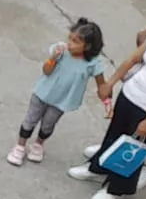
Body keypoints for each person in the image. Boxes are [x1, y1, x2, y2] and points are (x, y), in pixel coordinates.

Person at [75, 27, 146, 199]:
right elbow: (134, 58)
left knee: (132, 149)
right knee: (114, 135)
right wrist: (111, 83)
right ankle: (98, 168)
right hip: (130, 93)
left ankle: (118, 189)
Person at [11, 19, 109, 167]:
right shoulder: (60, 51)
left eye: (75, 41)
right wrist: (53, 59)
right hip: (42, 94)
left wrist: (107, 103)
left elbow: (101, 84)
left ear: (88, 46)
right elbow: (46, 71)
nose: (69, 43)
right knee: (30, 120)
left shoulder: (92, 63)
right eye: (70, 38)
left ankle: (38, 144)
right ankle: (20, 146)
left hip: (62, 101)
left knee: (48, 125)